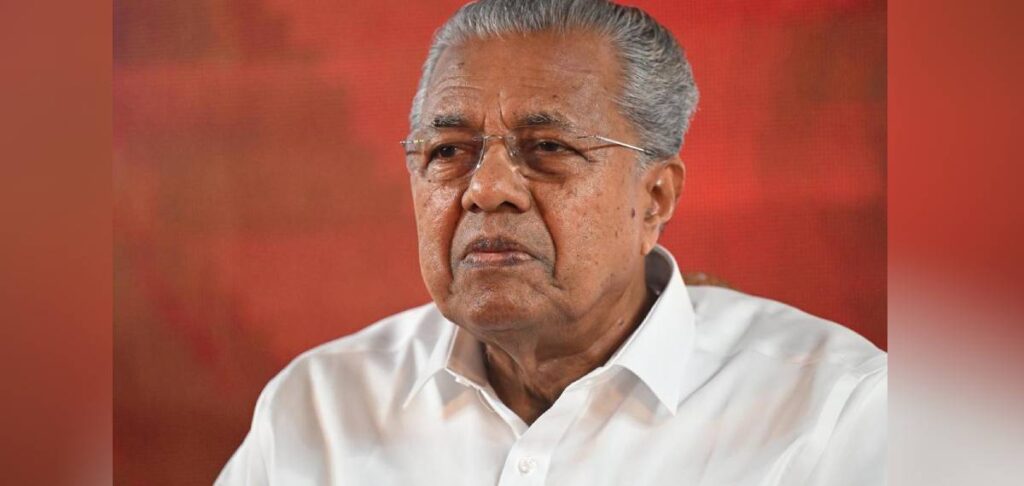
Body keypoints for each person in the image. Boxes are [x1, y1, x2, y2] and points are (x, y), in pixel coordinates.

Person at [216, 1, 886, 484]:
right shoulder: (320, 408)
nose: (487, 189)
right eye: (448, 151)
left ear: (655, 197)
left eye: (548, 148)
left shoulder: (835, 413)